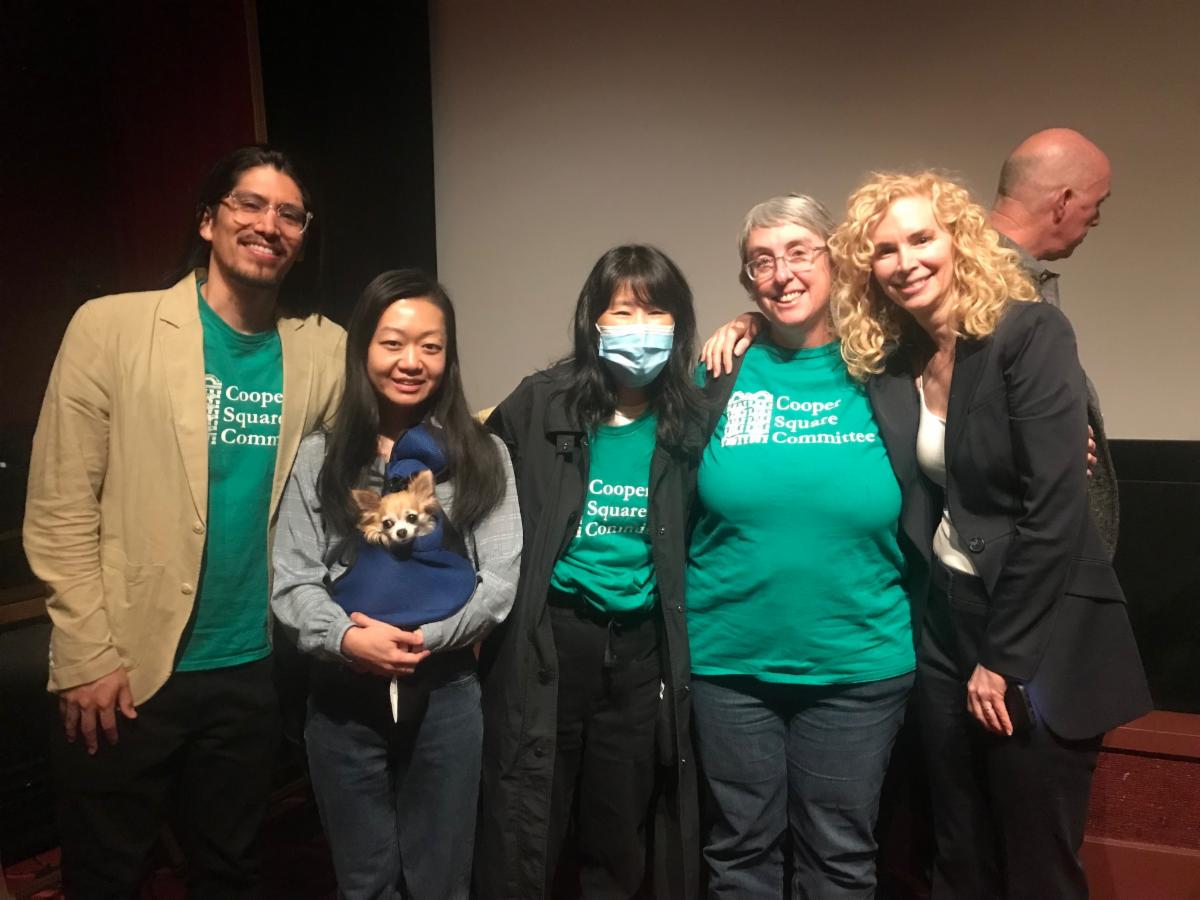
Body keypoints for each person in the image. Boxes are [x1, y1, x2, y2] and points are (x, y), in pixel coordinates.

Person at [23, 145, 344, 897]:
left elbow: (408, 420)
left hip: (248, 668)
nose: (269, 224)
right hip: (124, 667)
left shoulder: (323, 350)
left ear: (302, 240)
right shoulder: (110, 328)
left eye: (290, 214)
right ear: (207, 220)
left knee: (232, 869)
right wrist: (85, 656)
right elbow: (61, 506)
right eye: (249, 204)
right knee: (107, 875)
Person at [829, 171, 1150, 899]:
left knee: (1035, 862)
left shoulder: (1028, 332)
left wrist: (1002, 661)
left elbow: (1054, 515)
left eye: (921, 238)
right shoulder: (898, 362)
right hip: (945, 623)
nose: (906, 261)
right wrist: (747, 325)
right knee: (957, 848)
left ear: (958, 239)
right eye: (884, 250)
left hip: (1039, 628)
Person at [688, 195, 930, 898]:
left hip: (857, 665)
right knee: (739, 853)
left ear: (836, 261)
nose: (782, 273)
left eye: (799, 253)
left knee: (840, 858)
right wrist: (745, 327)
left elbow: (971, 425)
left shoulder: (891, 369)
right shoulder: (720, 373)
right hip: (729, 663)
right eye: (761, 261)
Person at [270, 269, 521, 899]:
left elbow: (498, 579)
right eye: (393, 343)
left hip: (446, 690)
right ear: (363, 348)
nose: (412, 361)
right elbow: (293, 579)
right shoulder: (319, 455)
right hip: (342, 694)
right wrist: (346, 639)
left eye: (431, 346)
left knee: (443, 878)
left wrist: (424, 639)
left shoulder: (483, 454)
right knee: (364, 880)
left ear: (448, 357)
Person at [476, 245, 702, 899]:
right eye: (622, 311)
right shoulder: (541, 403)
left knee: (618, 826)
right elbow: (475, 486)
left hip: (639, 652)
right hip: (551, 639)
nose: (639, 328)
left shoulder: (691, 420)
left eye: (655, 312)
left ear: (679, 324)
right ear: (593, 320)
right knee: (530, 816)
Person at [989, 128, 1119, 557]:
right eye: (1095, 204)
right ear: (1063, 201)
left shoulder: (1004, 276)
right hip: (1016, 558)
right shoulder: (977, 284)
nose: (1096, 219)